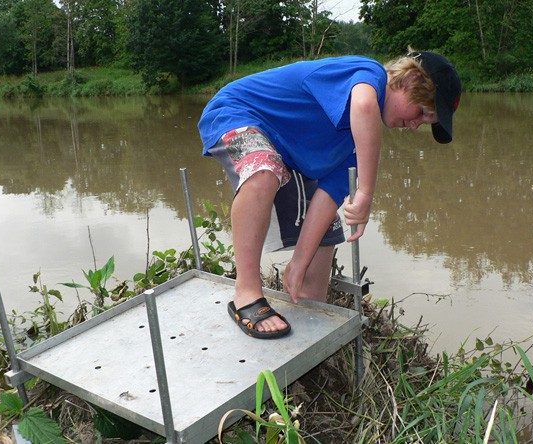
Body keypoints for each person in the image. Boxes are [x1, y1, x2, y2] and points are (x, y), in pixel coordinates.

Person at [198, 49, 461, 339]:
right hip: (236, 113)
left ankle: (310, 321)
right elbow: (363, 106)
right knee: (263, 170)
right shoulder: (368, 74)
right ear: (409, 79)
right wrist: (366, 193)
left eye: (425, 123)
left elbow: (325, 199)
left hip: (286, 153)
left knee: (327, 229)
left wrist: (298, 261)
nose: (415, 124)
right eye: (422, 112)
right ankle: (246, 291)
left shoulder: (352, 150)